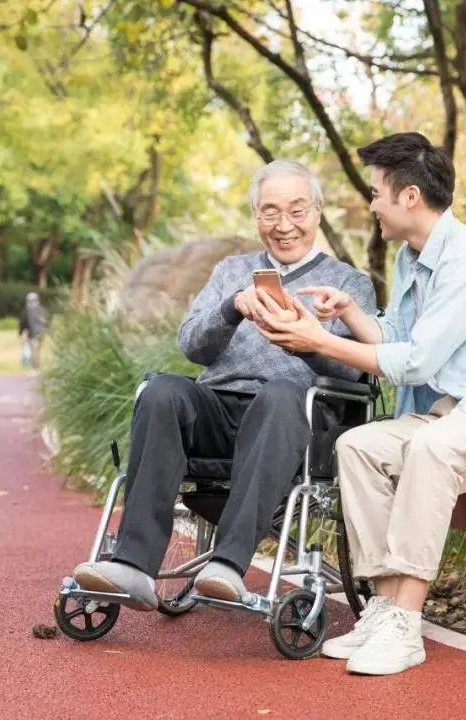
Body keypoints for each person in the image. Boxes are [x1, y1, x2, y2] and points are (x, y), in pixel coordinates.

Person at [254, 133, 466, 675]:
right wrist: (348, 312)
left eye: (376, 193)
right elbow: (394, 334)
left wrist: (319, 341)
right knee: (358, 446)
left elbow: (415, 363)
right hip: (457, 414)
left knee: (430, 450)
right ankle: (384, 605)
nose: (371, 203)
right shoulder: (410, 256)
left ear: (410, 197)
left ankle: (407, 623)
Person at [72, 160, 377, 611]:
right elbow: (191, 345)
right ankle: (134, 565)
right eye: (270, 212)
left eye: (297, 210)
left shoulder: (350, 283)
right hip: (219, 409)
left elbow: (354, 372)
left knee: (279, 393)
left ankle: (229, 565)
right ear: (256, 216)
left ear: (316, 211)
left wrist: (306, 340)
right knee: (161, 390)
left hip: (293, 418)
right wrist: (232, 308)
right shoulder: (231, 271)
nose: (284, 225)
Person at [19, 292, 48, 369]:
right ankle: (36, 368)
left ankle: (36, 369)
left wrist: (20, 332)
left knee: (34, 351)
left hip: (33, 334)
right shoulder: (42, 309)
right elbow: (47, 321)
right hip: (41, 333)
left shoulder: (27, 310)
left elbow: (23, 322)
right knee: (36, 350)